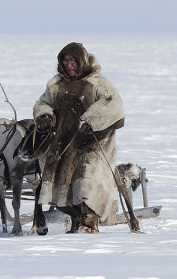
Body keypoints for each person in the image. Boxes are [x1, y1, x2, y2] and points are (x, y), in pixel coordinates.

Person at [33, 42, 124, 233]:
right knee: (61, 189)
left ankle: (89, 225)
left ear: (81, 61)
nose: (69, 65)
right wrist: (44, 116)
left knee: (86, 182)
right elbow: (43, 102)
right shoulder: (56, 84)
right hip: (64, 144)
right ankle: (77, 221)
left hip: (93, 143)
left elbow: (113, 105)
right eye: (65, 61)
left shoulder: (97, 82)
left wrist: (91, 122)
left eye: (73, 60)